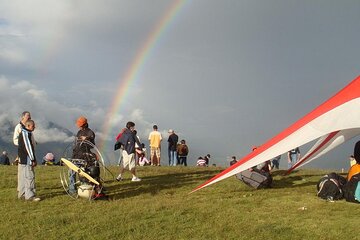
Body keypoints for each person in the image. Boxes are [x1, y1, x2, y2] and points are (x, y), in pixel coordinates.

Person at [69, 116, 96, 194]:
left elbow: (92, 145)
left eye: (80, 124)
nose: (79, 126)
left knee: (85, 174)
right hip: (76, 155)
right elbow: (76, 144)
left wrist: (87, 138)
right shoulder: (79, 132)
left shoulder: (90, 132)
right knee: (71, 172)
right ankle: (72, 189)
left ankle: (87, 189)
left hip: (85, 156)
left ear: (84, 124)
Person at [17, 119, 40, 201]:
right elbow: (28, 147)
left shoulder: (23, 133)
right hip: (27, 159)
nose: (34, 127)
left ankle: (22, 194)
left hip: (22, 159)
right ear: (28, 126)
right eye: (33, 126)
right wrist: (33, 159)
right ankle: (30, 195)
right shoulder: (26, 133)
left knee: (23, 177)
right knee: (29, 177)